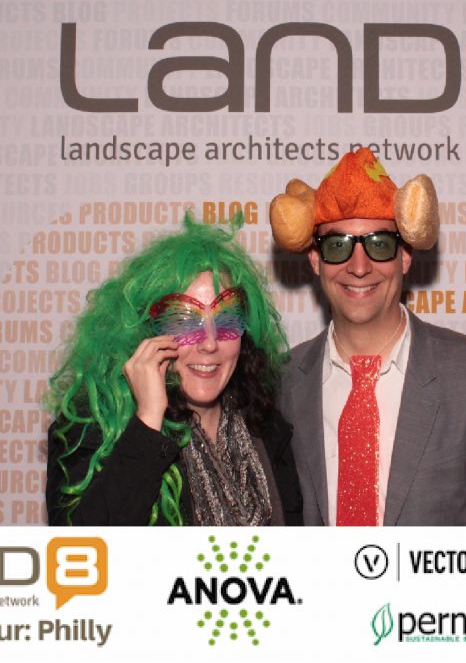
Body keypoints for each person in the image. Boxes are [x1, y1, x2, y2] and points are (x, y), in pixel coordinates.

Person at [269, 147, 466, 526]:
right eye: (337, 246)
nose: (358, 267)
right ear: (316, 260)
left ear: (405, 256)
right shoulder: (278, 384)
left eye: (379, 244)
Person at [45, 214, 301, 526]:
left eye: (226, 320)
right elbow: (83, 548)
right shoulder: (90, 430)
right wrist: (147, 424)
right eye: (183, 321)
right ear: (144, 331)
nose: (209, 344)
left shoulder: (267, 428)